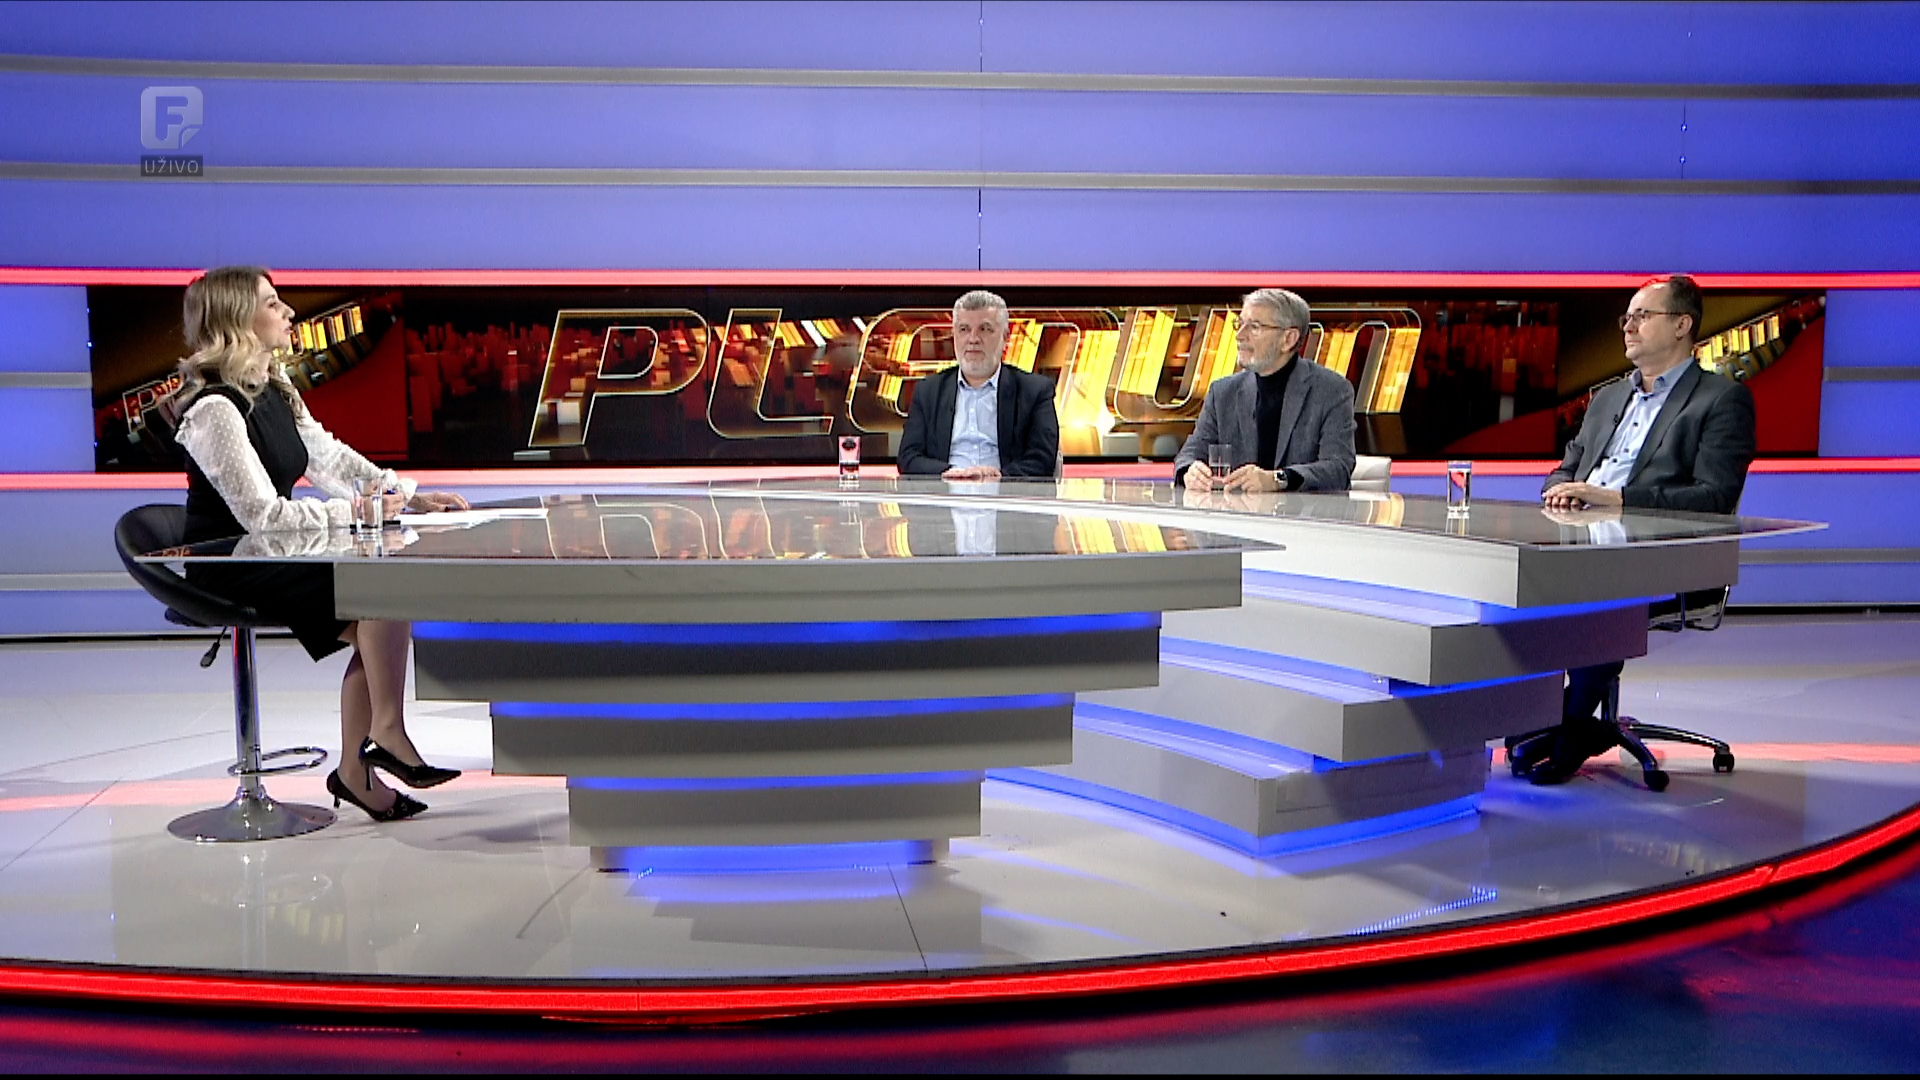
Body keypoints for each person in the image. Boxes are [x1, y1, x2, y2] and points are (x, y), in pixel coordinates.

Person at [165, 267, 472, 821]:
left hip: (274, 550)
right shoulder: (215, 409)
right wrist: (355, 515)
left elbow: (330, 459)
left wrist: (404, 495)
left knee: (381, 600)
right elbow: (263, 516)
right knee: (376, 595)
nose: (288, 312)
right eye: (272, 303)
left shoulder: (274, 389)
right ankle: (384, 735)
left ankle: (358, 771)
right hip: (233, 562)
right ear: (237, 320)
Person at [1521, 274, 1757, 785]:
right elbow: (1564, 469)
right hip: (1581, 543)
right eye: (1626, 317)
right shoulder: (1607, 398)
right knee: (1513, 582)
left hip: (1660, 556)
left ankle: (1570, 726)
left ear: (1682, 325)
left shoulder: (1721, 400)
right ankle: (1546, 717)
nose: (1627, 326)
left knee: (1600, 593)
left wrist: (1619, 500)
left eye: (1642, 316)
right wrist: (1562, 490)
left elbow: (1714, 498)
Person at [1174, 288, 1356, 493]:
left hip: (1302, 512)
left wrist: (1277, 479)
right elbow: (1189, 454)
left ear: (1288, 339)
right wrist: (1190, 471)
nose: (1240, 336)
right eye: (1239, 324)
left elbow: (1338, 469)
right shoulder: (1223, 393)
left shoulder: (1332, 391)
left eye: (1254, 327)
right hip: (1236, 512)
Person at [896, 290, 1061, 480]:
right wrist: (950, 473)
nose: (973, 339)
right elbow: (908, 457)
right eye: (964, 329)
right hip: (944, 491)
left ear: (1005, 337)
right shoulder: (928, 392)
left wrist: (999, 477)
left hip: (1007, 493)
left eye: (984, 329)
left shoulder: (1035, 391)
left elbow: (1042, 458)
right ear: (954, 335)